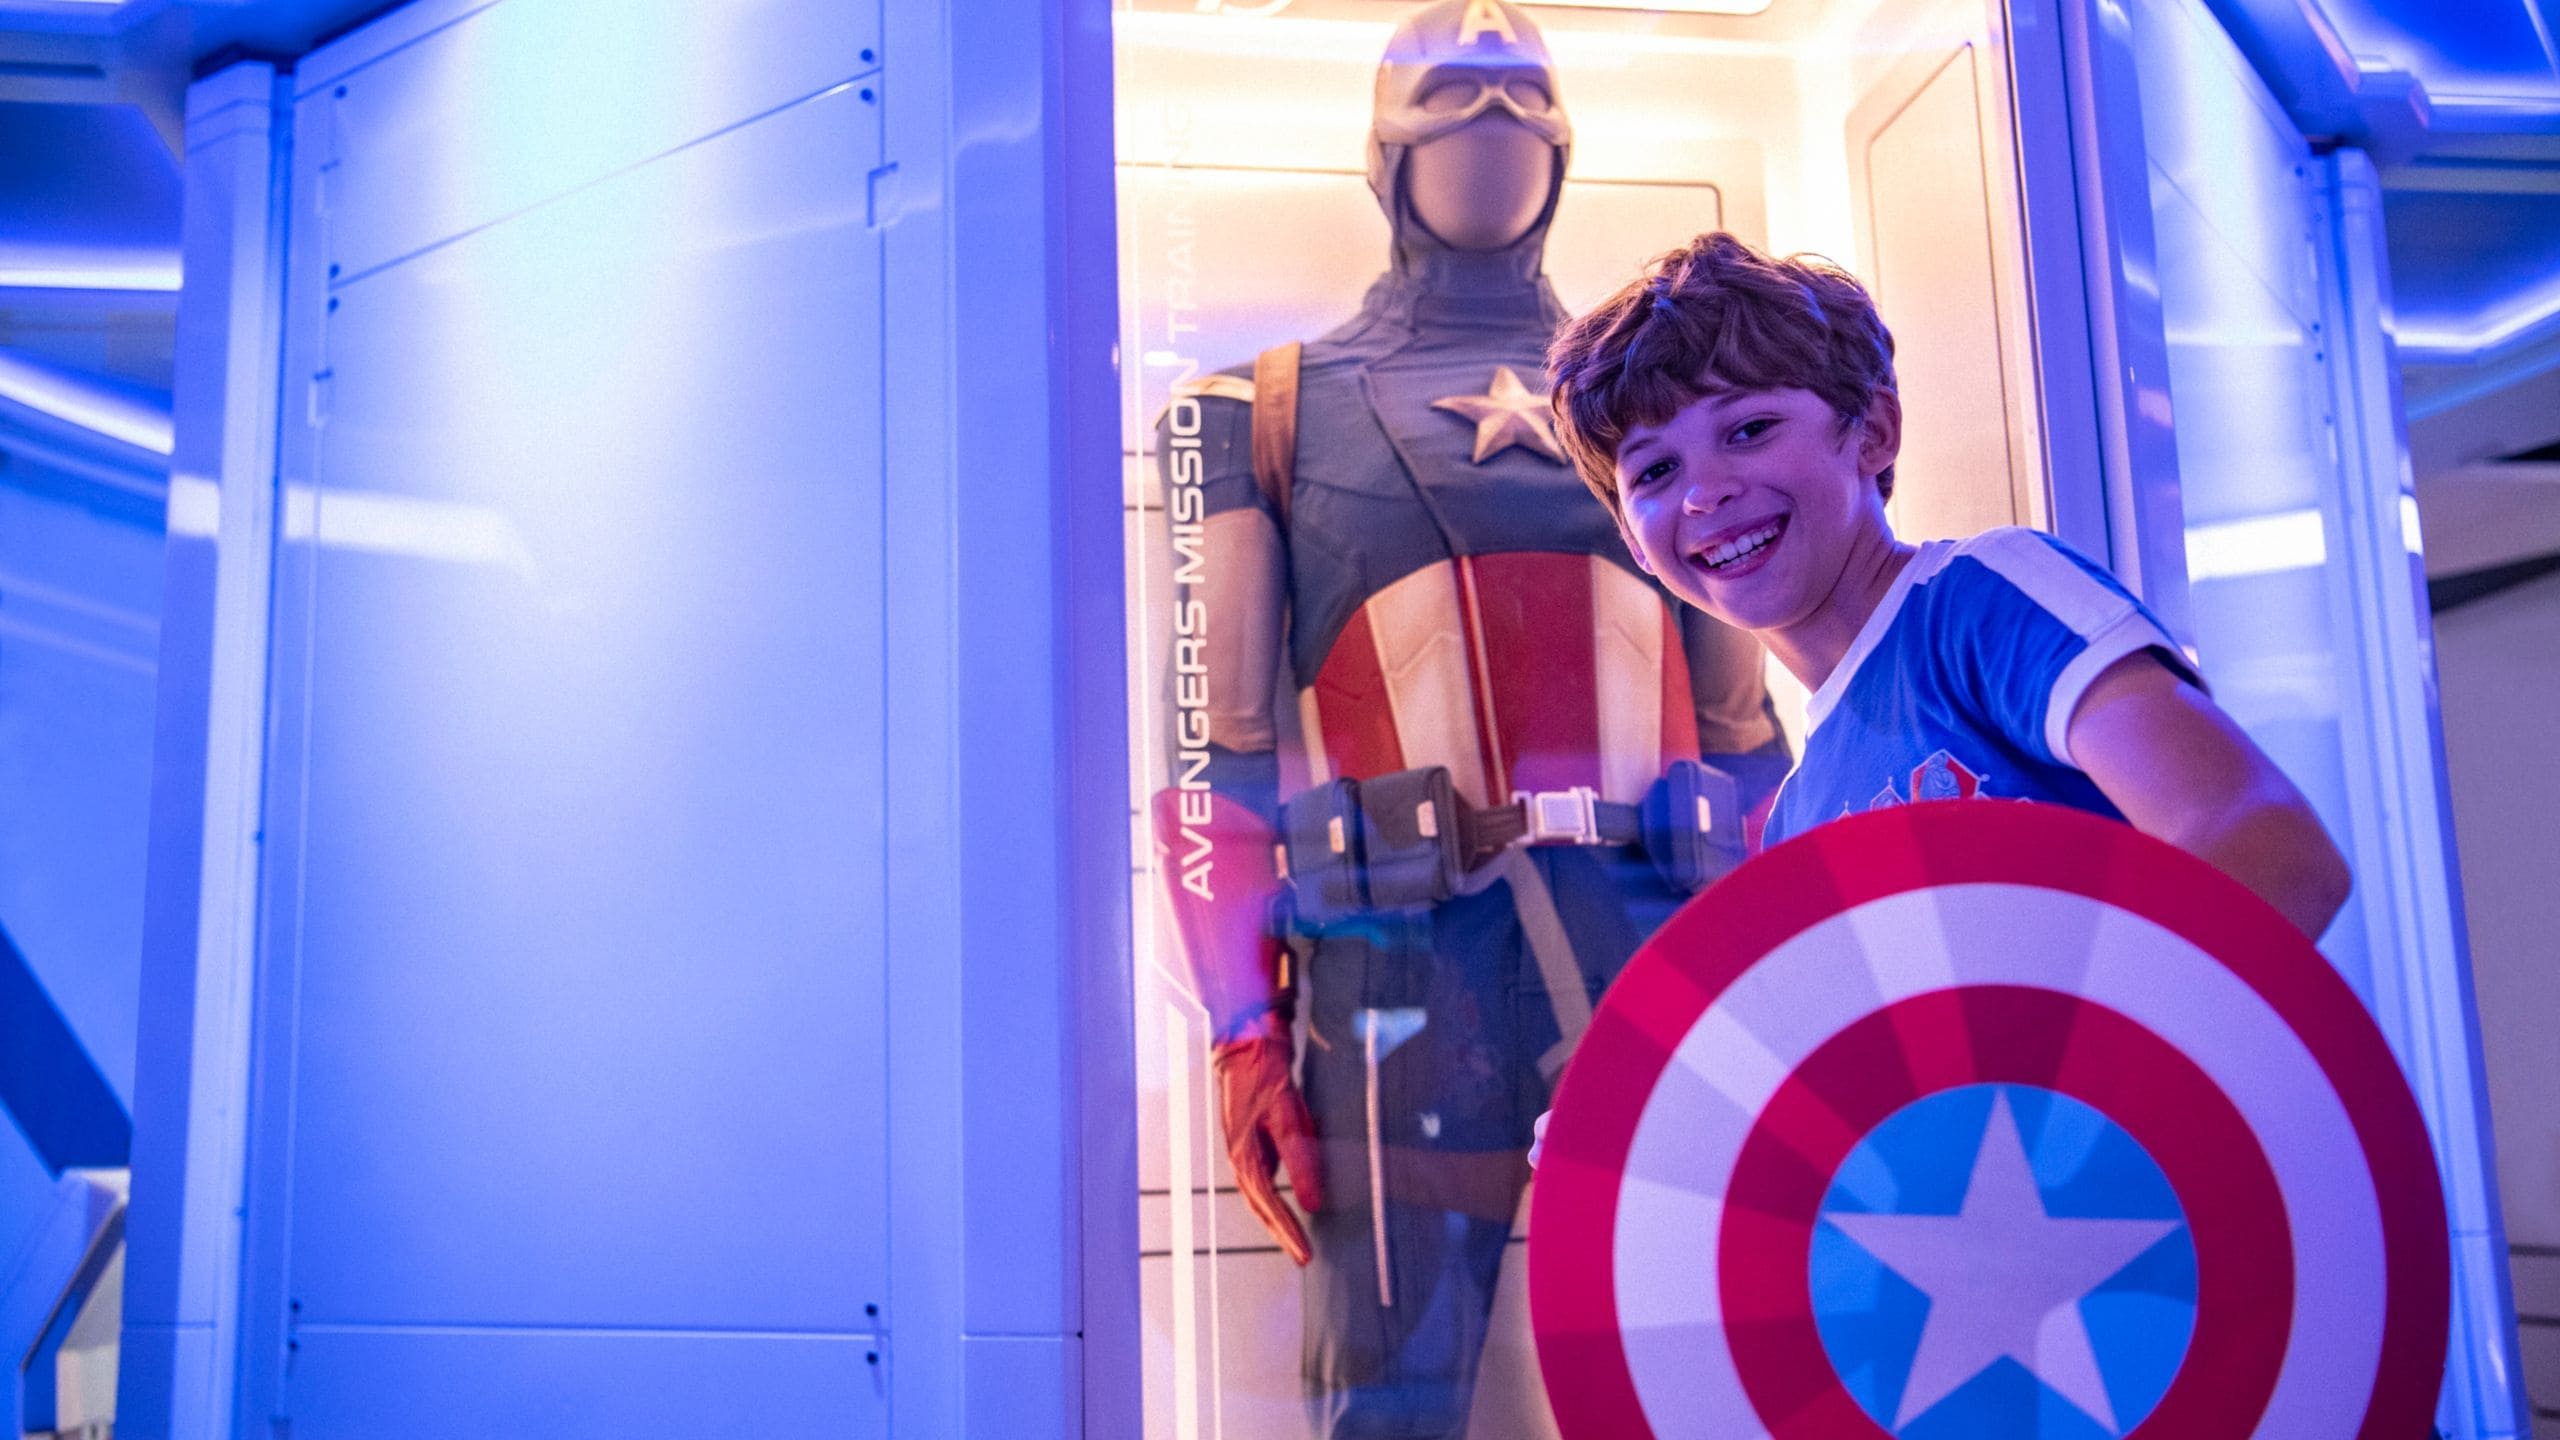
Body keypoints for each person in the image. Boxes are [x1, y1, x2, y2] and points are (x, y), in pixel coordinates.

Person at [1148, 9, 1788, 1437]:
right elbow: (1213, 760)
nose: (1490, 140)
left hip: (1659, 939)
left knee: (1709, 1356)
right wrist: (1242, 1030)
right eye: (1454, 108)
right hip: (1394, 963)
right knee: (1391, 1389)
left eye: (1518, 109)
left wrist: (1802, 964)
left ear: (1561, 150)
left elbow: (1746, 731)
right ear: (1391, 151)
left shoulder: (1675, 416)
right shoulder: (1252, 415)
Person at [1541, 231, 2353, 939]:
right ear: (1633, 541)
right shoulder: (1796, 817)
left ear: (1874, 432)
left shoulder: (1983, 601)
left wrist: (2082, 1094)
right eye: (1655, 470)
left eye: (1749, 430)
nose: (1704, 492)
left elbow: (2271, 851)